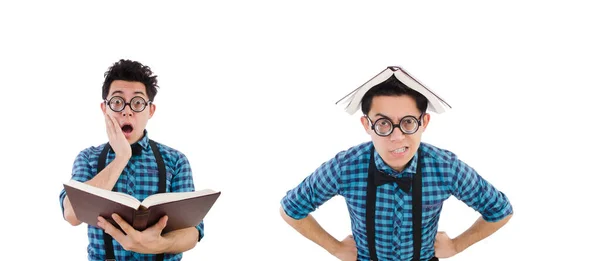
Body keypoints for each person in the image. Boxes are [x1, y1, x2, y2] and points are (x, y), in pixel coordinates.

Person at [279, 75, 514, 261]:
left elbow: (500, 211)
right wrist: (335, 248)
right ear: (366, 125)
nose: (397, 137)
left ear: (424, 122)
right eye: (383, 123)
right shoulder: (345, 166)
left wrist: (456, 245)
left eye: (408, 122)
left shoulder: (446, 168)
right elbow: (290, 209)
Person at [58, 59, 204, 261]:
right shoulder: (88, 158)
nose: (127, 110)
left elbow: (193, 232)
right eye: (117, 102)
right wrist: (121, 158)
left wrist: (159, 245)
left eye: (137, 102)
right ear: (104, 108)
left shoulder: (176, 160)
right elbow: (71, 214)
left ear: (150, 110)